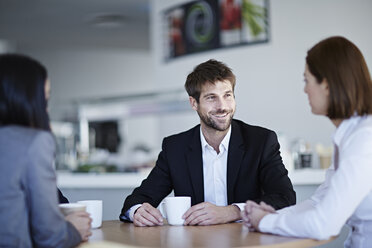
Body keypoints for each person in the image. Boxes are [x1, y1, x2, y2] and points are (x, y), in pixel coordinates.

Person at [120, 59, 296, 226]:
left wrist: (232, 212)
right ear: (194, 103)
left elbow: (285, 197)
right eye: (211, 98)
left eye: (227, 95)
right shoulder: (175, 148)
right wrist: (137, 211)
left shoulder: (261, 141)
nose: (222, 106)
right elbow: (136, 200)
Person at [242, 36, 372, 247]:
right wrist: (273, 216)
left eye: (306, 80)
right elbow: (319, 201)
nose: (304, 90)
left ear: (327, 85)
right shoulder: (349, 136)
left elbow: (323, 224)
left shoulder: (364, 139)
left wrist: (265, 221)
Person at [0, 54, 92, 247]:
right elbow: (51, 238)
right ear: (24, 99)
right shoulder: (34, 142)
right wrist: (72, 228)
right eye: (45, 100)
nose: (46, 110)